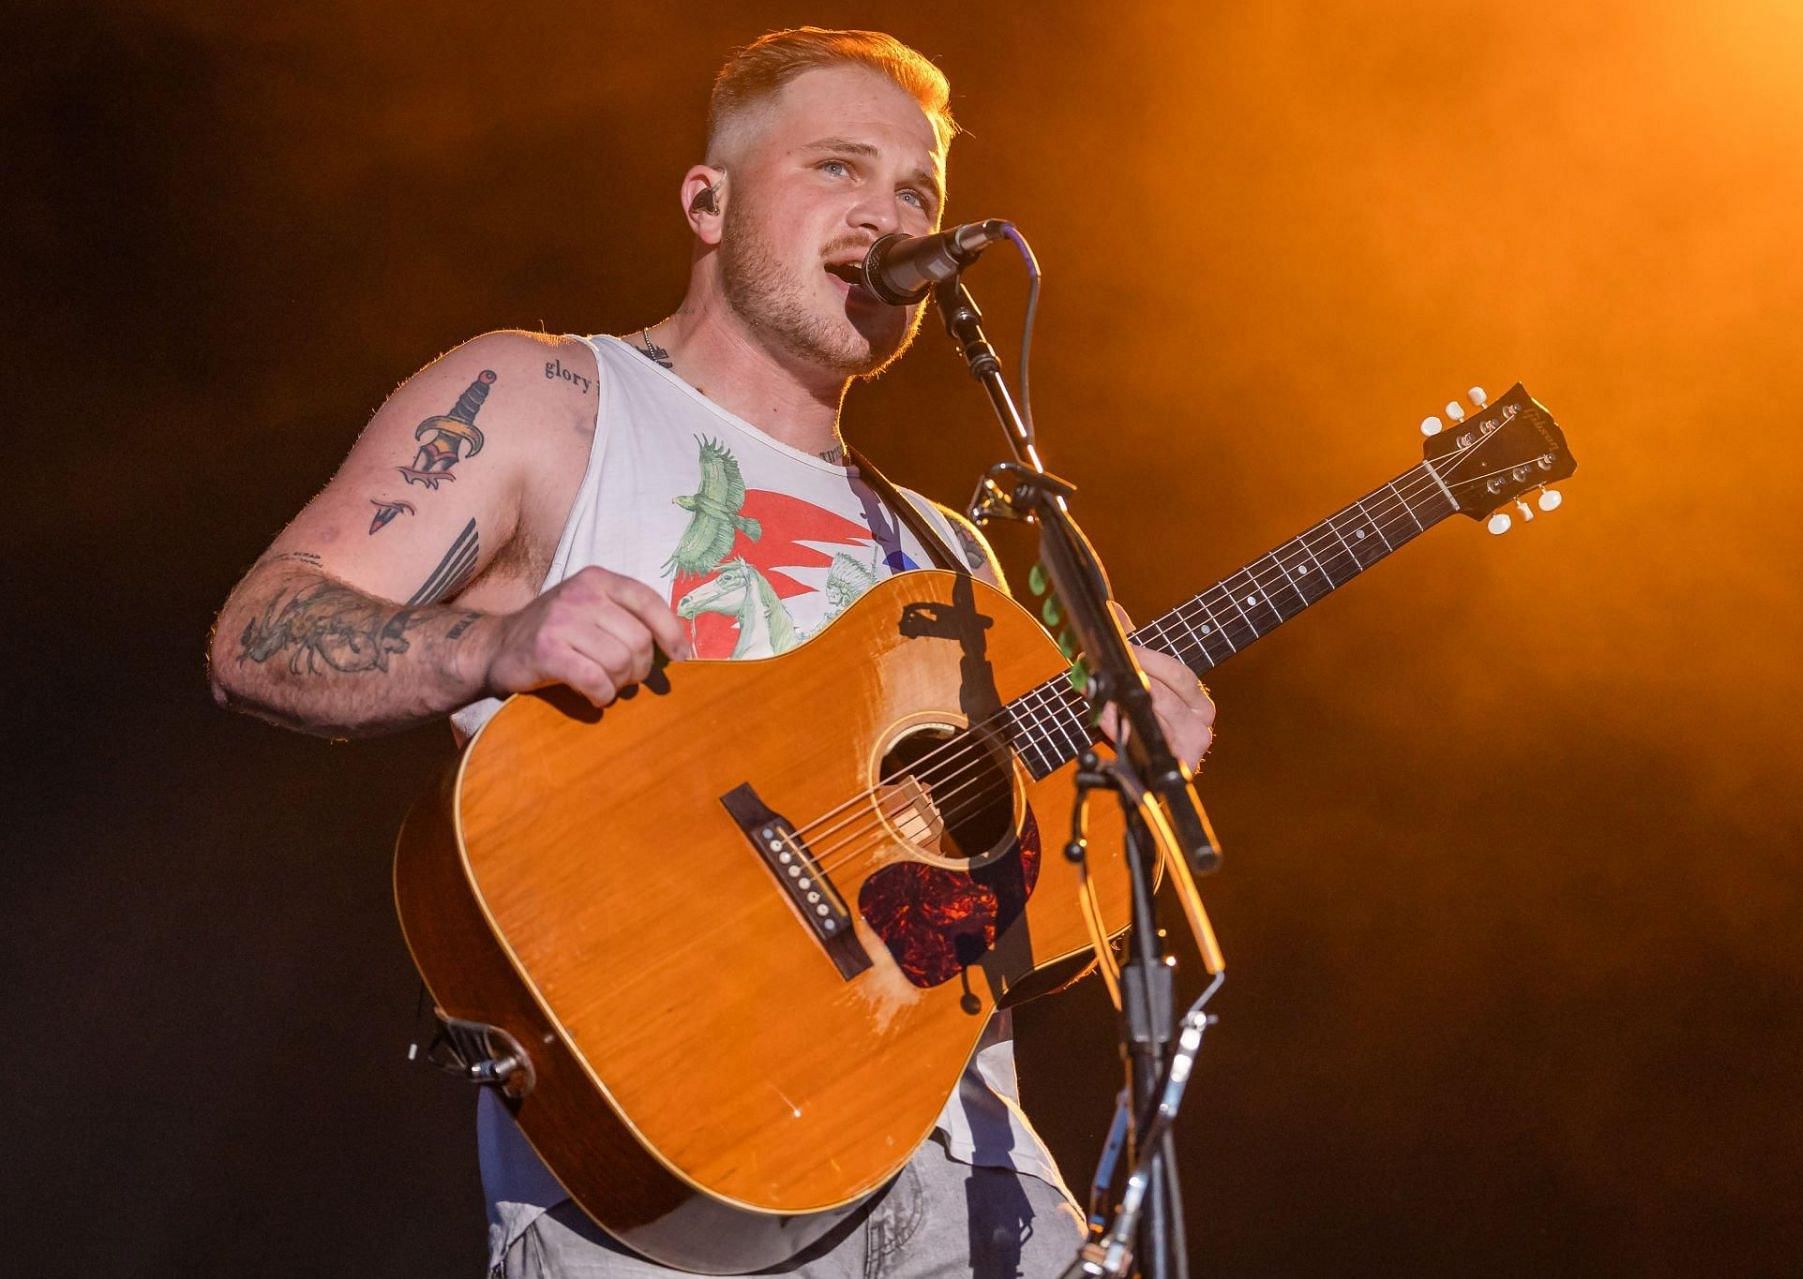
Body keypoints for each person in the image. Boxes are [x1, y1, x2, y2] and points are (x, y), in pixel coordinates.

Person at [208, 26, 1215, 1278]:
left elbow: (988, 922)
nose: (885, 215)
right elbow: (260, 629)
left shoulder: (954, 554)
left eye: (916, 192)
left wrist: (1116, 793)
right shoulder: (549, 397)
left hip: (962, 1171)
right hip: (660, 1167)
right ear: (708, 199)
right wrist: (493, 640)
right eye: (839, 168)